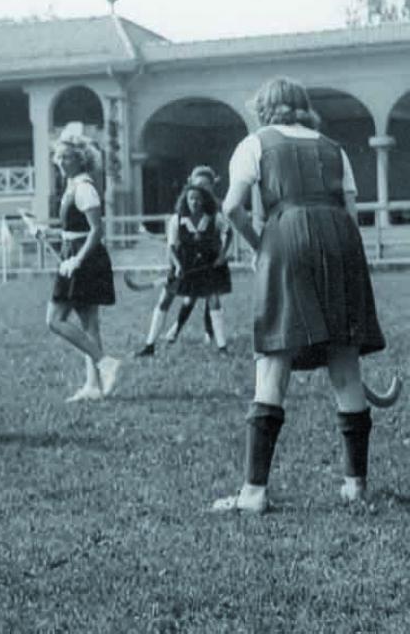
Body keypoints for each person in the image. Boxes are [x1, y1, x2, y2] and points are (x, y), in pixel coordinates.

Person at [212, 77, 387, 513]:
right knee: (344, 362)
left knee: (274, 358)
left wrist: (262, 246)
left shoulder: (255, 143)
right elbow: (350, 213)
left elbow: (231, 207)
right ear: (303, 108)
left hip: (286, 236)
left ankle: (254, 492)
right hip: (342, 240)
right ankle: (356, 486)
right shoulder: (334, 148)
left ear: (263, 109)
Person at [37, 130, 121, 402]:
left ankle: (105, 362)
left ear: (80, 159)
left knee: (54, 320)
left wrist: (77, 260)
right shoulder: (72, 185)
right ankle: (93, 386)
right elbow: (73, 228)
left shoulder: (84, 187)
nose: (60, 162)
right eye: (58, 157)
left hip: (84, 257)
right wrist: (47, 232)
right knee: (89, 325)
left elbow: (96, 230)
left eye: (67, 157)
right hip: (75, 253)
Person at [136, 172, 232, 356]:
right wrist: (177, 265)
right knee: (165, 299)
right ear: (185, 200)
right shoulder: (177, 219)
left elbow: (229, 233)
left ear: (204, 200)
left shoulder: (214, 217)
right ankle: (149, 345)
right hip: (183, 265)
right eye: (191, 199)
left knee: (213, 300)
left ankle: (222, 347)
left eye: (198, 199)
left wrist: (222, 255)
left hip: (206, 266)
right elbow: (171, 246)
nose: (194, 202)